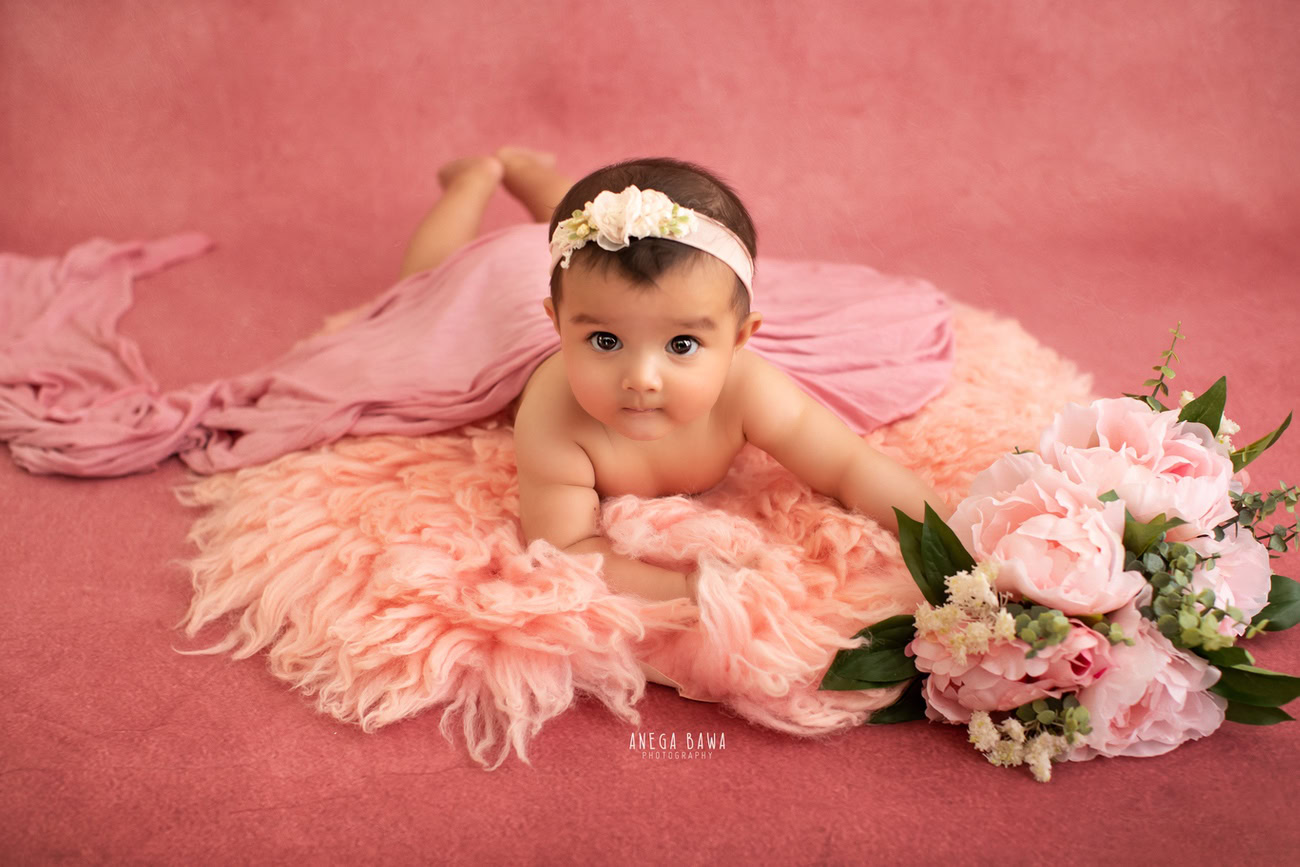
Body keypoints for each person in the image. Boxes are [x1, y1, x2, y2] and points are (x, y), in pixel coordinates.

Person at [398, 147, 955, 619]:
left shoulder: (747, 387)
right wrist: (690, 589)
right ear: (558, 326)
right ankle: (471, 183)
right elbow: (565, 546)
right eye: (604, 343)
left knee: (619, 239)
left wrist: (955, 543)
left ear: (739, 339)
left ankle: (529, 170)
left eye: (682, 346)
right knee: (429, 288)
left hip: (609, 281)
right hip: (496, 300)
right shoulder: (555, 416)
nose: (641, 379)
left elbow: (848, 466)